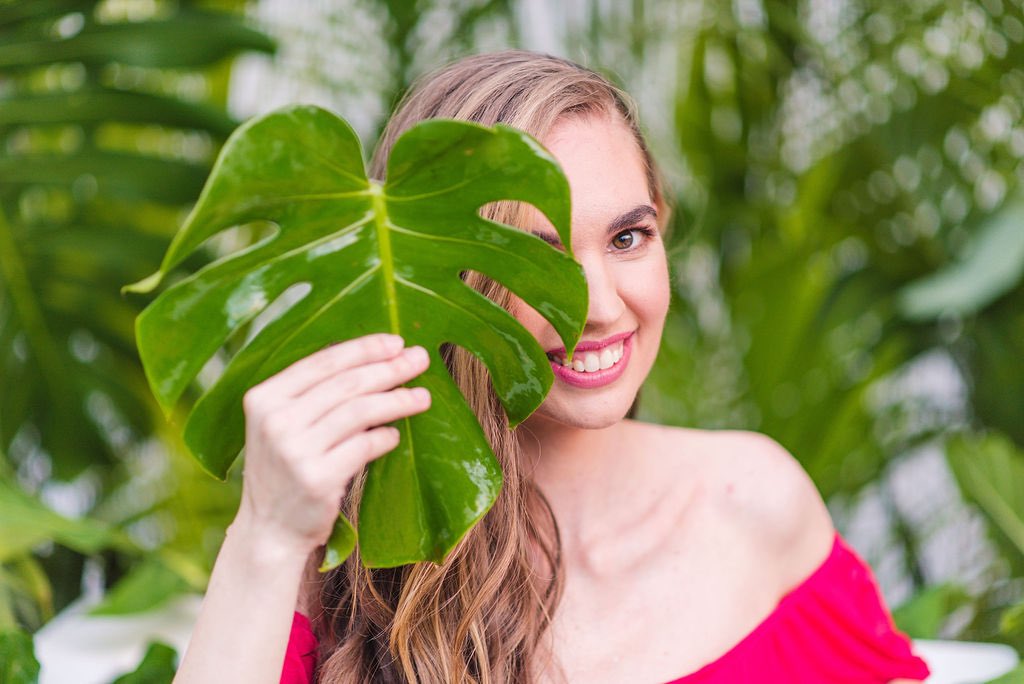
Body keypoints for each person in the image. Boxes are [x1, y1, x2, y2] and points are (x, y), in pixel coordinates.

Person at [173, 51, 931, 684]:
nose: (598, 308)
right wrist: (266, 537)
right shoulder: (342, 567)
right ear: (435, 275)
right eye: (533, 256)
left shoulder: (757, 504)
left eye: (628, 238)